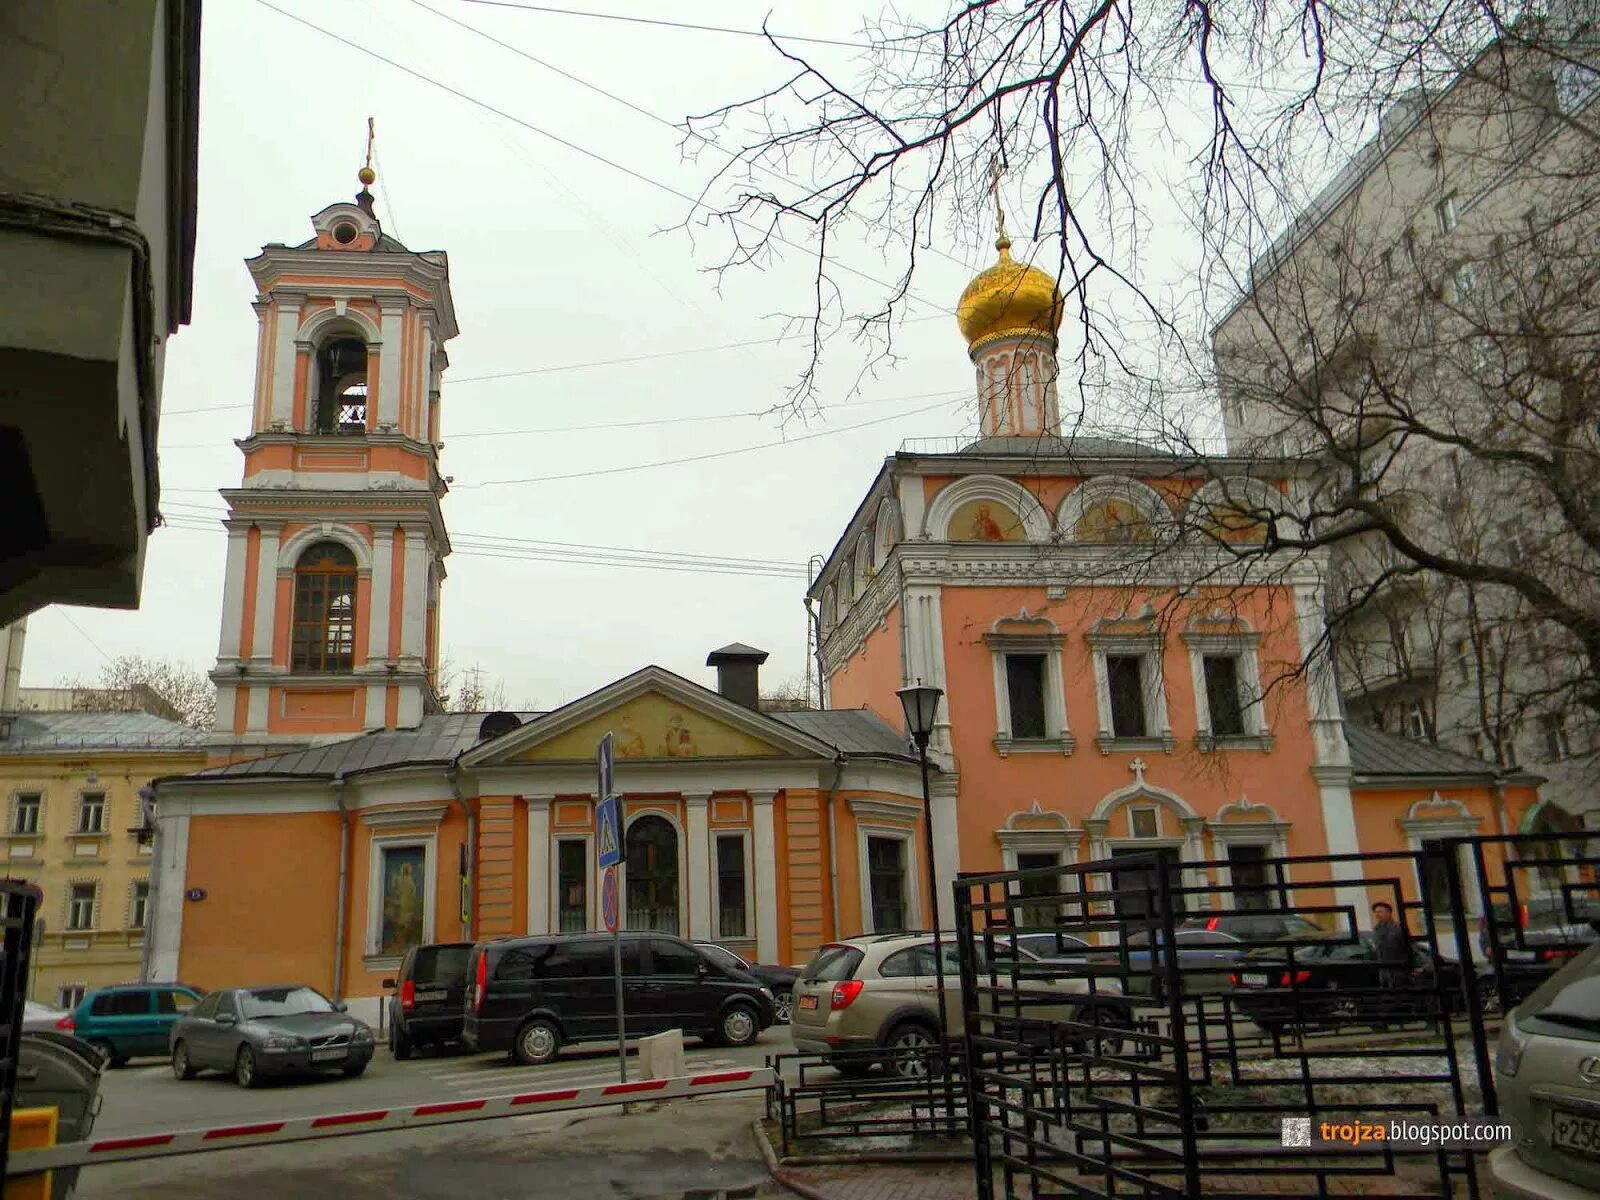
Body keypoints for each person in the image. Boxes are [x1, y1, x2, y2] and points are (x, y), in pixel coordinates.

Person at [1370, 901, 1410, 1019]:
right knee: (1386, 996)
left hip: (1398, 968)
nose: (1377, 915)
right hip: (1383, 969)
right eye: (1376, 912)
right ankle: (1388, 1020)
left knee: (1400, 995)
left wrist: (1408, 965)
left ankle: (1404, 1019)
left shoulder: (1398, 928)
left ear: (1388, 913)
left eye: (1380, 912)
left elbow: (1409, 948)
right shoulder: (1376, 930)